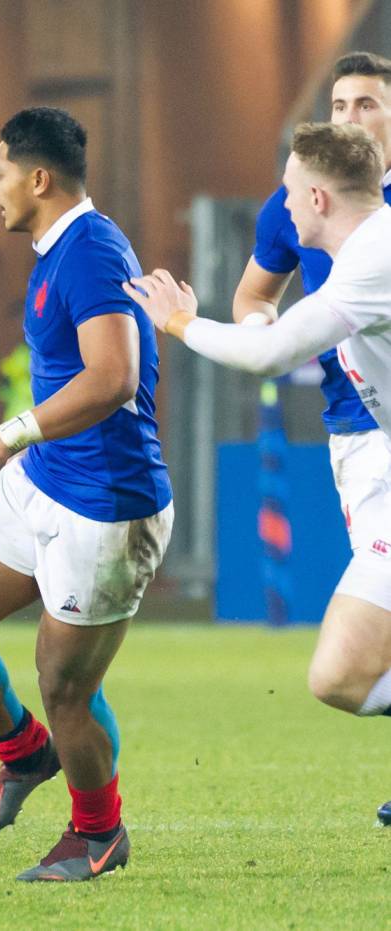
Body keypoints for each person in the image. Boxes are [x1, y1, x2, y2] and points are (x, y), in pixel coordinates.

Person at [0, 107, 173, 882]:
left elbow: (112, 376)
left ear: (37, 178)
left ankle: (98, 833)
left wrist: (3, 436)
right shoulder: (55, 249)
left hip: (104, 503)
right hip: (44, 480)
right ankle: (24, 754)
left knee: (65, 684)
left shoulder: (90, 251)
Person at [124, 121, 391, 826]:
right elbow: (267, 335)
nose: (283, 204)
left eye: (287, 190)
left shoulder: (372, 259)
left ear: (317, 199)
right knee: (338, 675)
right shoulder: (371, 247)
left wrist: (179, 322)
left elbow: (270, 354)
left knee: (336, 675)